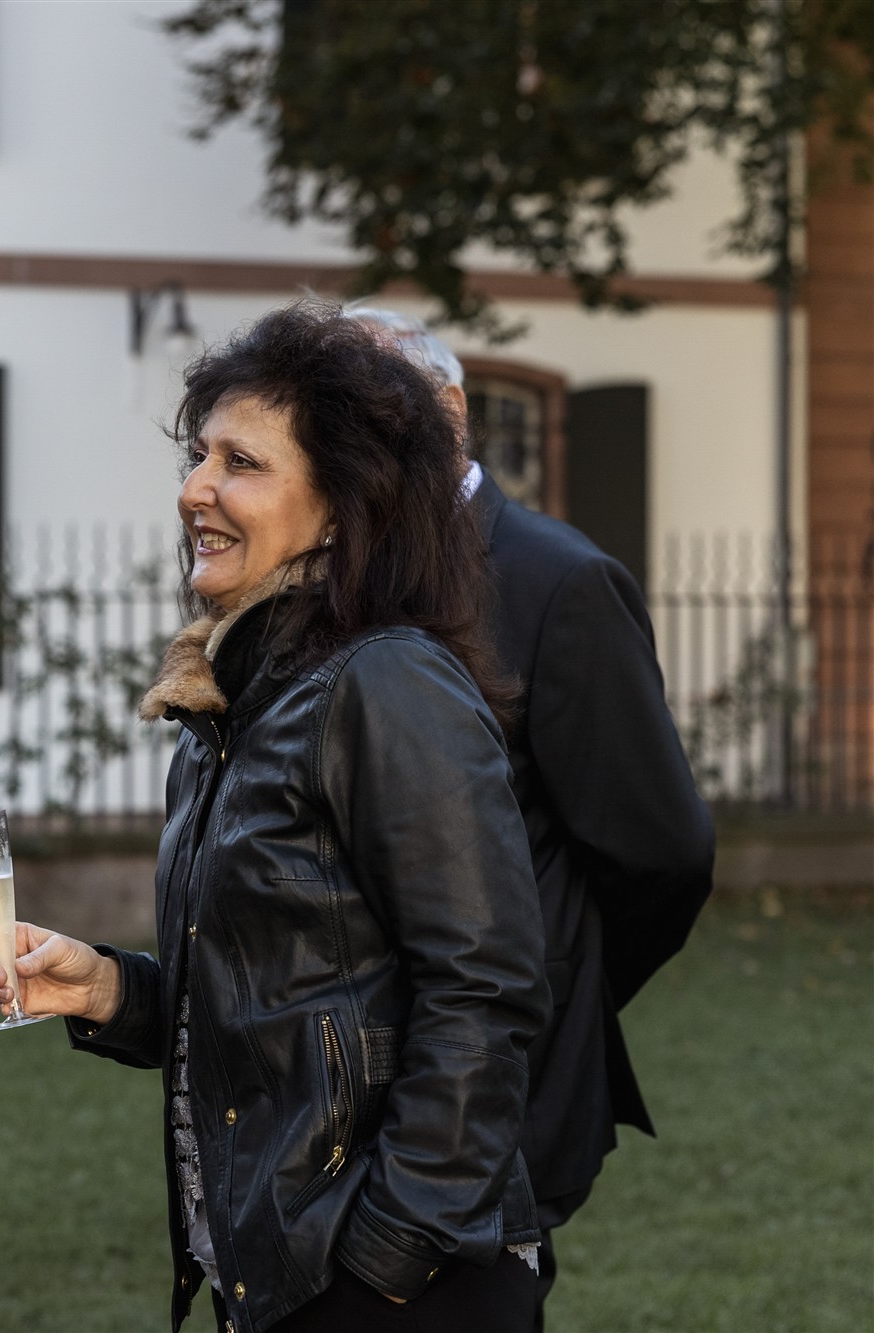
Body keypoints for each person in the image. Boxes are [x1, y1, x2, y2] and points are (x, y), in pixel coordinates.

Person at [0, 302, 550, 1333]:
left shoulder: (387, 682)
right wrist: (108, 989)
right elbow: (277, 1005)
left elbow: (486, 988)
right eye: (198, 456)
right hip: (284, 1274)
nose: (195, 487)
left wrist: (386, 1252)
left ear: (340, 507)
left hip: (392, 1284)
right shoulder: (231, 704)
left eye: (240, 462)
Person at [344, 306, 715, 1326]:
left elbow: (662, 853)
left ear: (448, 412)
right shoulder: (345, 574)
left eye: (360, 415)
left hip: (496, 1086)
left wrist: (555, 994)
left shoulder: (560, 580)